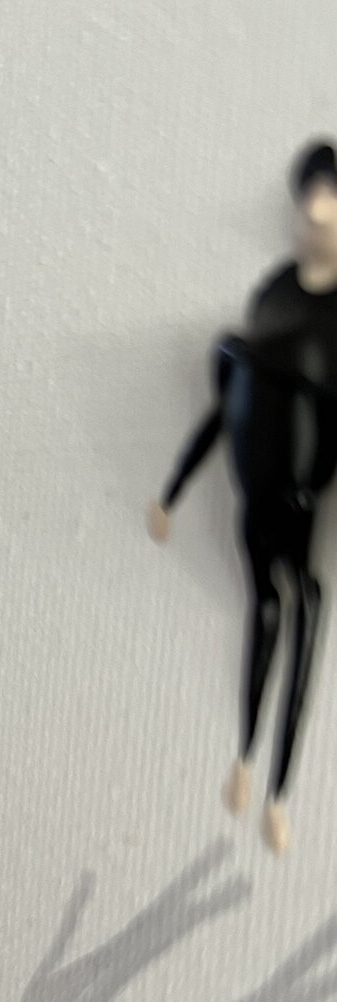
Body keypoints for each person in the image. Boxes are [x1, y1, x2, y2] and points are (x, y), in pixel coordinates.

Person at [152, 140, 337, 855]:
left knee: (304, 606)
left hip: (302, 495)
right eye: (308, 201)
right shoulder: (274, 292)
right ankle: (247, 757)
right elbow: (226, 399)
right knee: (267, 608)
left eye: (328, 201)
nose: (315, 215)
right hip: (254, 492)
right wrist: (173, 491)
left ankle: (279, 790)